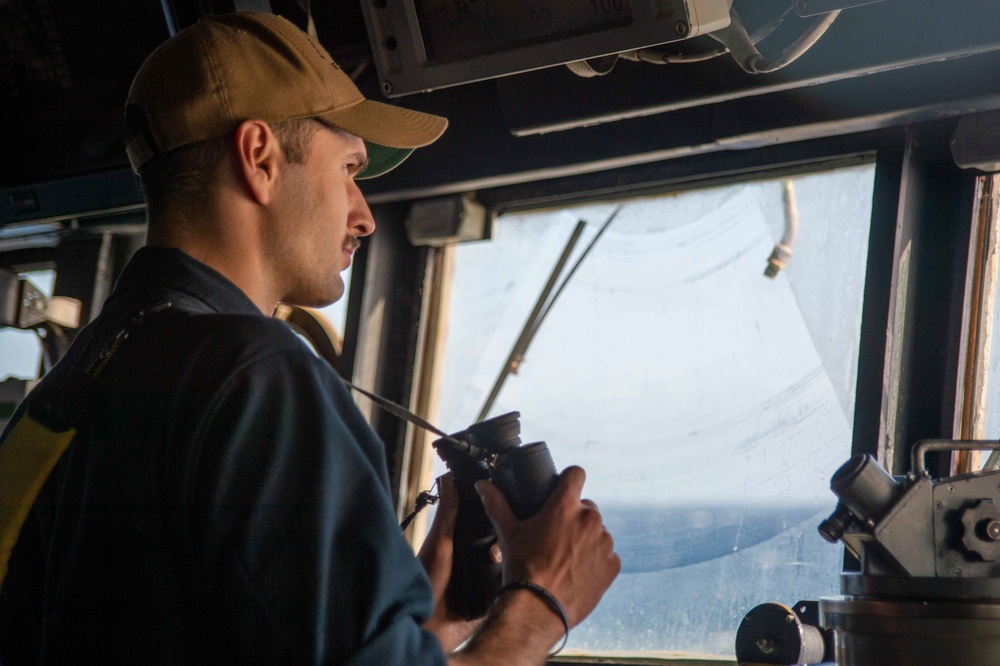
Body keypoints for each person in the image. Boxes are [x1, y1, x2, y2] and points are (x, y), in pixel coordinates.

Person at [0, 11, 620, 665]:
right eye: (349, 169)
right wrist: (541, 603)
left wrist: (422, 635)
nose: (364, 215)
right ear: (260, 157)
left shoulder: (65, 391)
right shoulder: (258, 377)